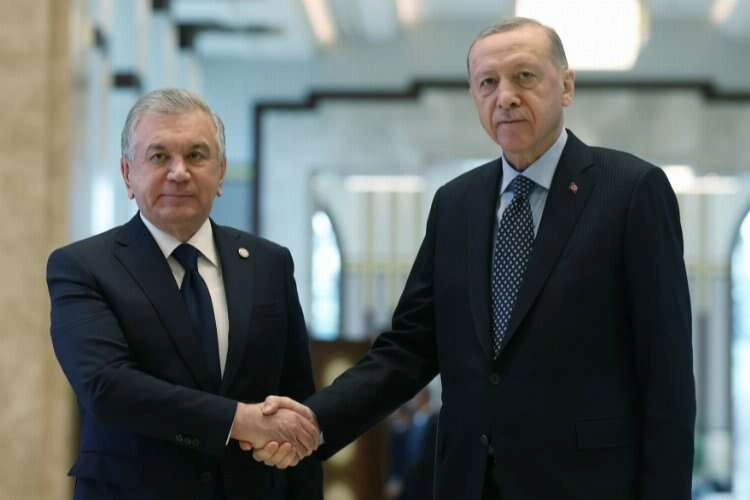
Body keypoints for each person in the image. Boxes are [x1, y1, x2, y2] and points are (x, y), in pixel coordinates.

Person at [255, 17, 696, 500]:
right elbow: (408, 348)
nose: (505, 96)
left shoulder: (630, 192)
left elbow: (667, 375)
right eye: (488, 83)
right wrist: (316, 419)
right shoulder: (456, 204)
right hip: (468, 482)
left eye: (524, 77)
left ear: (566, 85)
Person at [47, 88, 322, 499]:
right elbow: (107, 386)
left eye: (196, 155)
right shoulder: (84, 267)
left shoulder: (269, 264)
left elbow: (296, 399)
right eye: (159, 157)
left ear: (221, 171)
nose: (179, 172)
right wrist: (239, 420)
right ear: (127, 173)